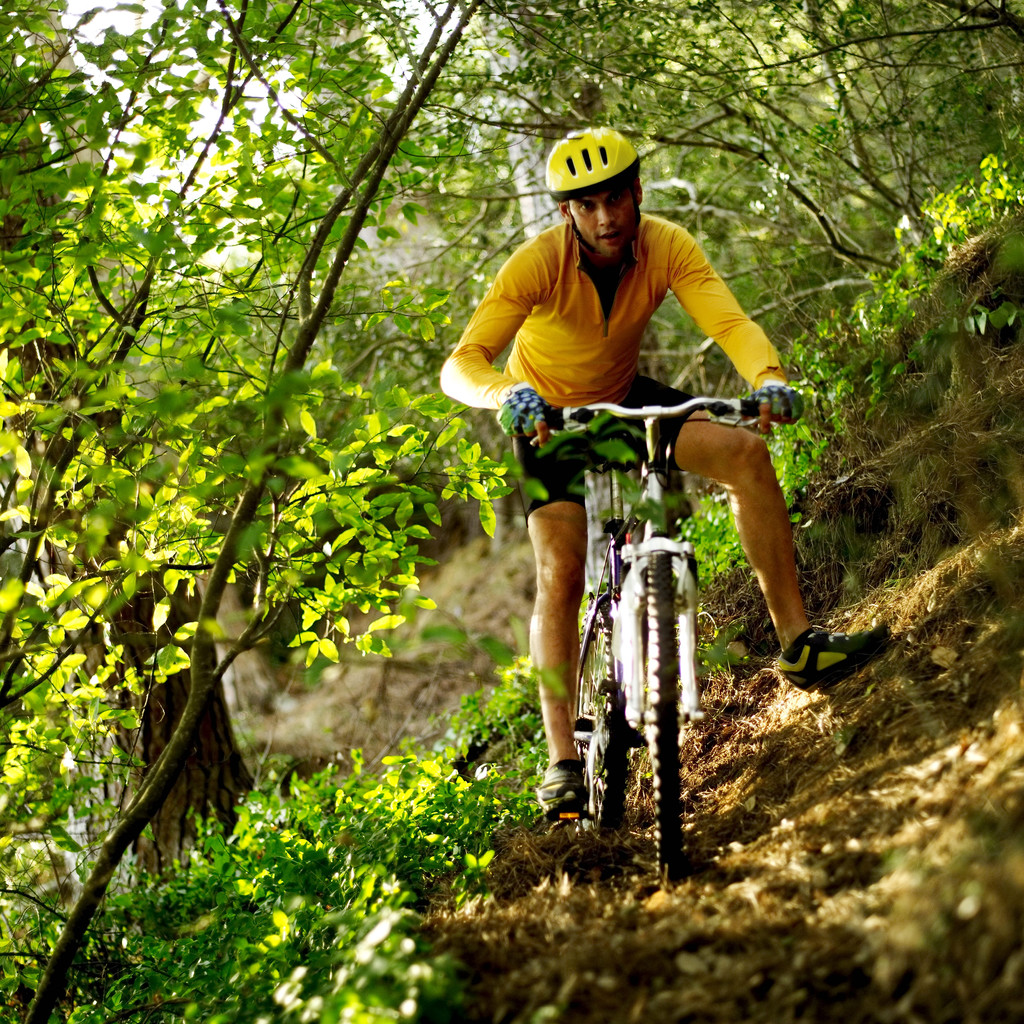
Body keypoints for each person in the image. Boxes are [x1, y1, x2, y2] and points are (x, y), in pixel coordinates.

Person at [440, 127, 888, 820]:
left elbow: (728, 320)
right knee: (560, 573)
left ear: (637, 193)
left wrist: (767, 378)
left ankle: (798, 645)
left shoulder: (667, 245)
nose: (605, 217)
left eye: (615, 198)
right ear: (568, 213)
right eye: (586, 206)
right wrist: (507, 393)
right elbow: (462, 362)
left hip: (622, 401)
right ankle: (562, 762)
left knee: (745, 454)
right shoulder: (539, 263)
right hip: (546, 420)